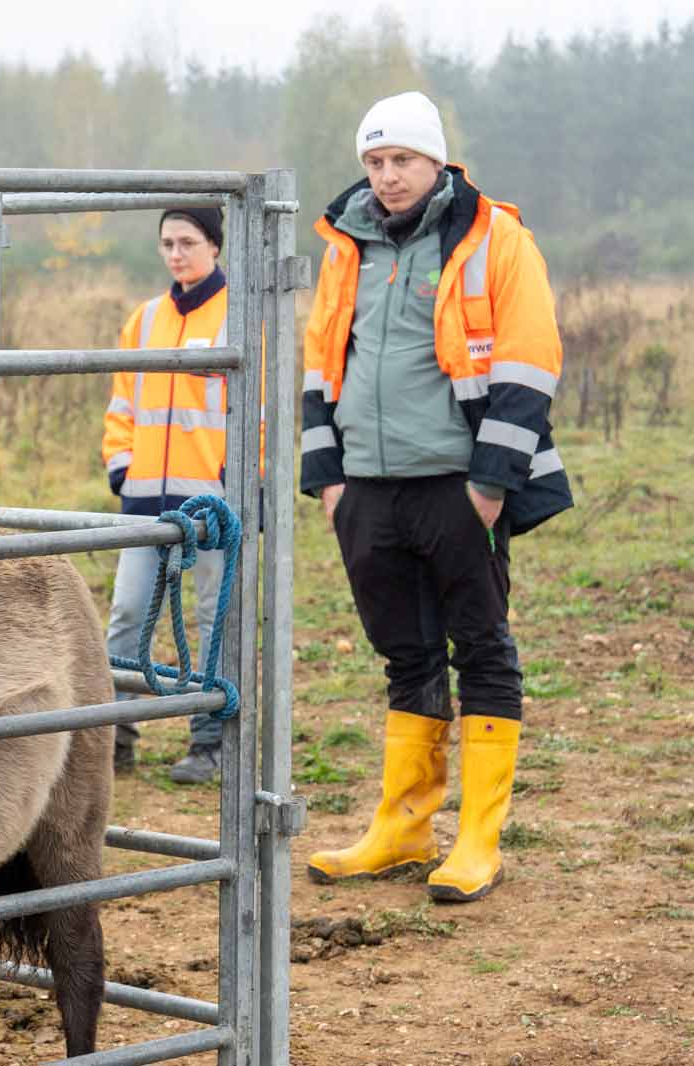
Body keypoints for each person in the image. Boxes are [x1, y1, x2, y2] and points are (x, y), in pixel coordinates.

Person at [300, 92, 571, 903]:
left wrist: (492, 481)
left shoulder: (496, 237)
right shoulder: (345, 243)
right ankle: (404, 826)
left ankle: (478, 840)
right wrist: (330, 480)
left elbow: (530, 361)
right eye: (374, 163)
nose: (387, 177)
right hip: (369, 489)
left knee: (481, 649)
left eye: (402, 161)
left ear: (437, 160)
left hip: (460, 484)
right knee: (404, 655)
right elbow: (320, 360)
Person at [102, 206, 233, 784]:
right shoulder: (145, 319)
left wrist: (238, 483)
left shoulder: (242, 317)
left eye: (187, 242)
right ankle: (114, 738)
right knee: (128, 613)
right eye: (166, 243)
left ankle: (209, 741)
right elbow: (122, 403)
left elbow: (255, 414)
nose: (176, 254)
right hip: (145, 502)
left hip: (212, 504)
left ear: (215, 246)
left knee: (214, 618)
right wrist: (122, 467)